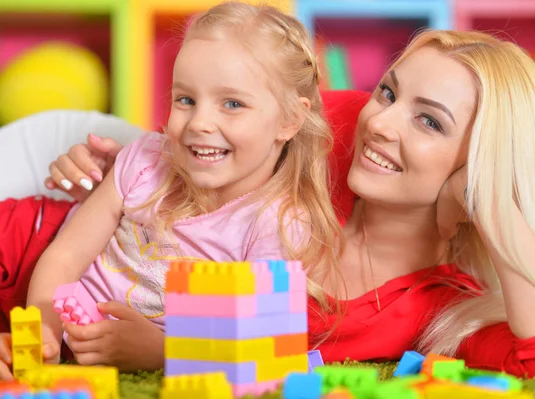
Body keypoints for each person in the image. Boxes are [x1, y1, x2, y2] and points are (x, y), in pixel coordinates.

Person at [20, 30, 535, 382]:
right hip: (48, 236)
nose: (382, 123)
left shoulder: (439, 310)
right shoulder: (334, 130)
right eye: (390, 92)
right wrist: (104, 162)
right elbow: (197, 132)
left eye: (429, 121)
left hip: (60, 326)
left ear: (481, 168)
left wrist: (494, 206)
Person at [0, 1, 341, 379]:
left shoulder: (277, 222)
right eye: (186, 99)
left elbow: (262, 347)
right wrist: (45, 335)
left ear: (290, 120)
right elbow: (64, 256)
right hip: (19, 248)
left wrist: (161, 352)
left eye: (232, 103)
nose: (199, 122)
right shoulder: (145, 159)